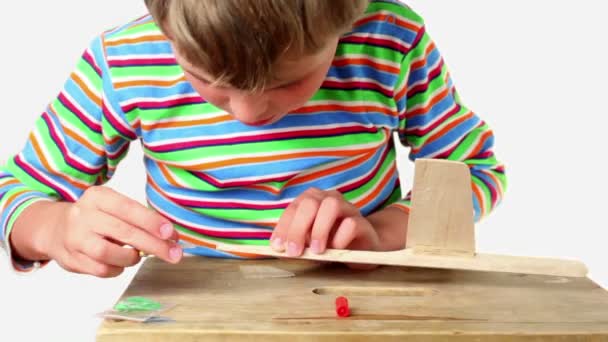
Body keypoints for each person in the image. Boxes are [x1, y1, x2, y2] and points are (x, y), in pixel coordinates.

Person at [0, 0, 506, 277]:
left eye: (288, 83)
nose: (249, 114)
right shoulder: (124, 62)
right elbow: (14, 193)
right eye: (208, 82)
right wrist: (52, 227)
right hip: (196, 322)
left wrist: (382, 234)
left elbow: (475, 172)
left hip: (359, 308)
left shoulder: (390, 43)